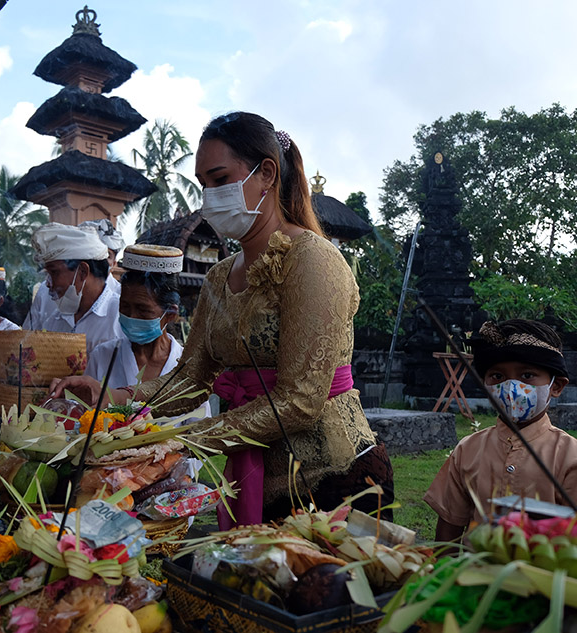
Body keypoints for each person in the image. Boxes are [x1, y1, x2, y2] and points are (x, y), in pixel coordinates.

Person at [49, 111, 394, 528]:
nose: (209, 196)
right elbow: (191, 379)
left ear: (266, 173)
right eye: (203, 185)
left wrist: (186, 439)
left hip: (332, 477)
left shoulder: (313, 259)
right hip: (256, 478)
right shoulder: (219, 275)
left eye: (219, 179)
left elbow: (301, 401)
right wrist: (114, 399)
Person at [424, 319, 577, 541]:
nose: (511, 388)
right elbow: (448, 532)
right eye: (497, 377)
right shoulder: (467, 450)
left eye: (527, 375)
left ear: (556, 386)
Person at [81, 244, 185, 389]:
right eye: (124, 307)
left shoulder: (185, 366)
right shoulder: (103, 357)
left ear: (170, 314)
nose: (131, 316)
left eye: (143, 310)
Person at [24, 222, 122, 354]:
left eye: (54, 272)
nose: (47, 283)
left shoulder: (121, 318)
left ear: (82, 272)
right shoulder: (54, 322)